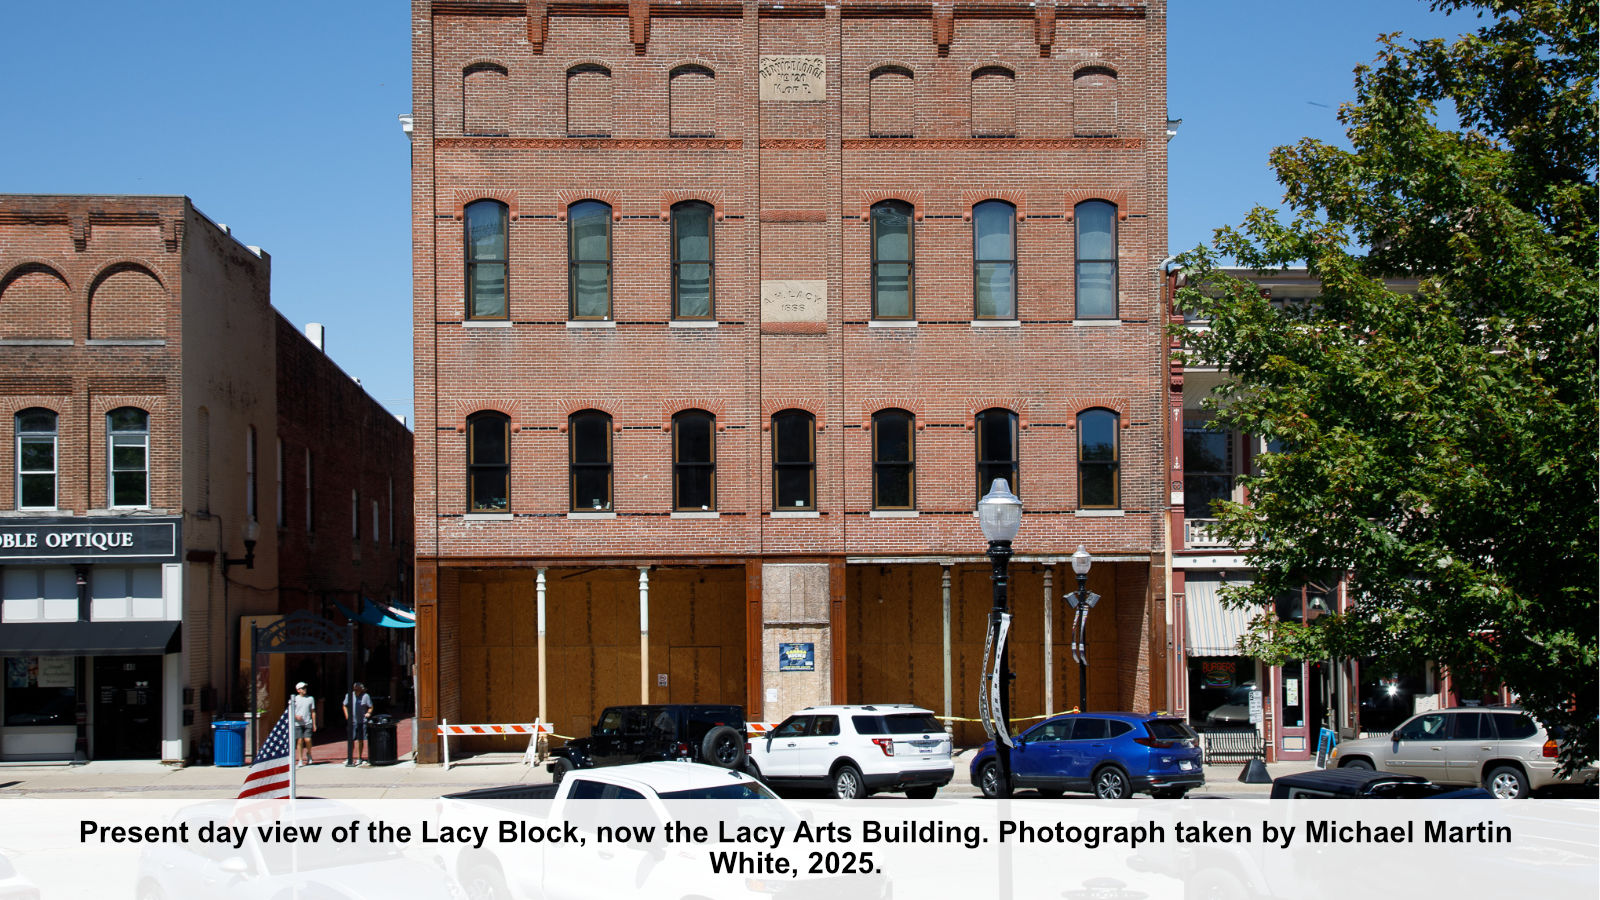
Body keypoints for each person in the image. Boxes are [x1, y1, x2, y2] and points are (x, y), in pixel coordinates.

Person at [343, 682, 374, 765]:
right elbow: (344, 705)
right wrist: (347, 716)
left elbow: (371, 706)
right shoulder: (349, 695)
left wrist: (368, 713)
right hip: (352, 722)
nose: (357, 690)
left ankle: (359, 757)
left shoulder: (365, 696)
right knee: (351, 740)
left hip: (362, 721)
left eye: (358, 688)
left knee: (360, 740)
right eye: (356, 688)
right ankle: (350, 757)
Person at [291, 682, 317, 766]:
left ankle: (309, 754)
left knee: (308, 740)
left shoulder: (310, 698)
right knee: (299, 740)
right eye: (302, 688)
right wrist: (296, 716)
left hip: (307, 722)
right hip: (297, 724)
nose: (304, 689)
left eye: (305, 688)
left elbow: (313, 712)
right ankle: (300, 759)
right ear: (298, 690)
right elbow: (291, 711)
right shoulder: (295, 699)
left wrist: (314, 724)